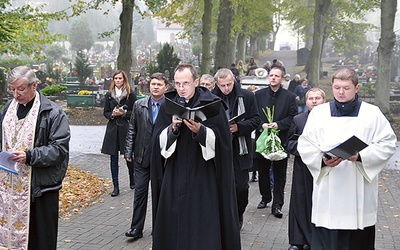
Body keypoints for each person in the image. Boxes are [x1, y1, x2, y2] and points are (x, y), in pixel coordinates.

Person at [298, 68, 397, 250]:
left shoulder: (372, 113)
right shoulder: (319, 113)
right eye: (336, 88)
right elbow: (305, 144)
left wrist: (361, 156)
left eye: (346, 88)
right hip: (329, 187)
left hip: (358, 187)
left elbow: (388, 143)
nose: (341, 92)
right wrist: (322, 161)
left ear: (357, 87)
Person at [150, 64, 241, 249]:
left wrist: (201, 131)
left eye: (185, 83)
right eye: (177, 84)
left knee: (202, 218)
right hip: (175, 172)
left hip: (203, 174)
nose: (181, 88)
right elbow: (156, 140)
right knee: (173, 218)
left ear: (196, 82)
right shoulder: (168, 104)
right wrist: (172, 130)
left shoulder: (212, 103)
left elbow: (224, 143)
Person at [0, 66, 70, 249]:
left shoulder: (52, 113)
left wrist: (29, 156)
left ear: (34, 86)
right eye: (12, 89)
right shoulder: (9, 107)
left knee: (40, 241)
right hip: (9, 189)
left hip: (40, 189)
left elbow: (59, 149)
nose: (16, 94)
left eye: (21, 89)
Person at [213, 68, 261, 229]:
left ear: (234, 80)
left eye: (229, 84)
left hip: (240, 149)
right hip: (218, 150)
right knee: (219, 187)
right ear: (217, 84)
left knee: (241, 187)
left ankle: (238, 214)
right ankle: (223, 218)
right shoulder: (211, 98)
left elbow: (256, 120)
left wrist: (238, 127)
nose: (226, 88)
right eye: (222, 85)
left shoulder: (246, 96)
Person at [124, 73, 169, 239]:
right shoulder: (139, 105)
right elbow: (132, 129)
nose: (155, 87)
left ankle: (159, 228)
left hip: (162, 159)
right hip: (141, 157)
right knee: (140, 193)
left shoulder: (171, 107)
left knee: (160, 195)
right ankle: (136, 228)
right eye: (153, 84)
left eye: (159, 84)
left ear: (166, 87)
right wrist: (128, 151)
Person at [253, 66, 297, 218]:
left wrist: (278, 124)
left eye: (276, 76)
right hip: (263, 138)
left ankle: (277, 204)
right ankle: (265, 197)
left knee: (279, 174)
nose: (273, 78)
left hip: (281, 139)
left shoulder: (289, 97)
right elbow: (253, 115)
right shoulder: (258, 95)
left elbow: (293, 117)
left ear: (282, 78)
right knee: (262, 171)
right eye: (271, 75)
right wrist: (262, 125)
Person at [286, 88, 326, 250]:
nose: (314, 101)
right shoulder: (298, 119)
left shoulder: (331, 120)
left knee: (320, 203)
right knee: (300, 202)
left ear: (324, 101)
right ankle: (297, 240)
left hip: (325, 168)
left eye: (318, 98)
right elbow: (289, 143)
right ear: (306, 101)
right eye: (311, 98)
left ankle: (316, 239)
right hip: (303, 168)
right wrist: (306, 149)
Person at [101, 70, 137, 197]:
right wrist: (112, 114)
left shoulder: (130, 94)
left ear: (124, 79)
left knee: (128, 156)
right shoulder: (109, 95)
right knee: (113, 158)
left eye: (120, 78)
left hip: (125, 128)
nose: (118, 80)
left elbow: (135, 112)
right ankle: (115, 186)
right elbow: (105, 112)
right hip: (112, 130)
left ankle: (132, 179)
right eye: (115, 78)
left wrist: (124, 114)